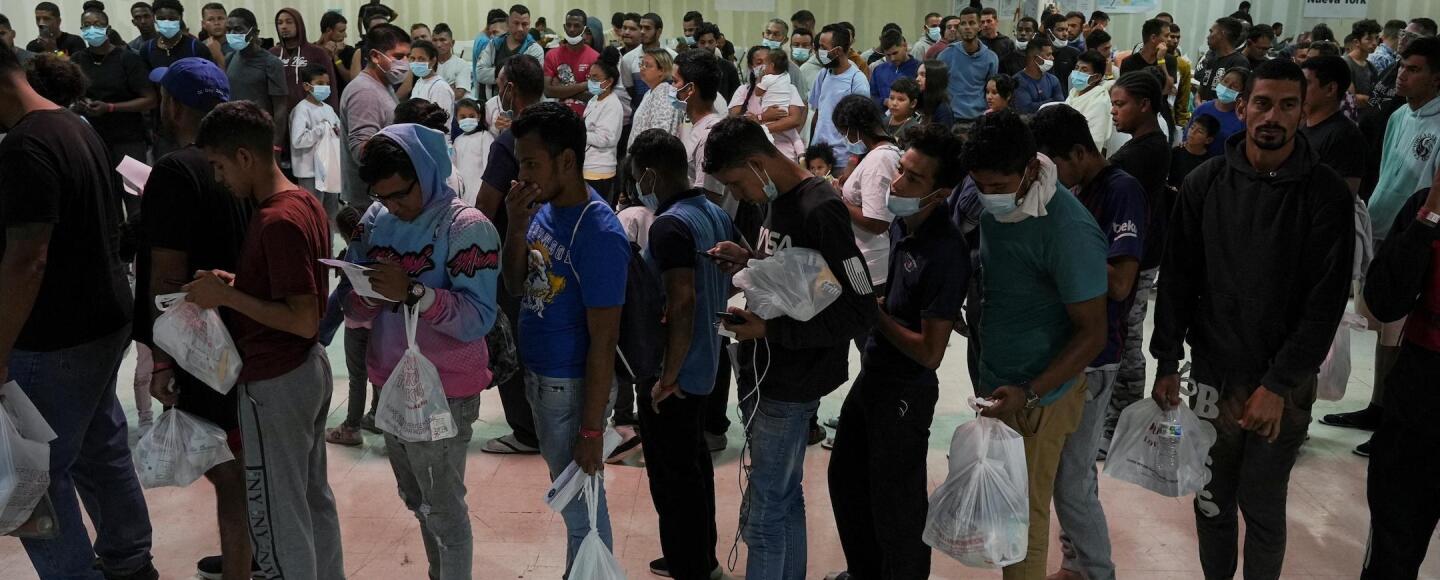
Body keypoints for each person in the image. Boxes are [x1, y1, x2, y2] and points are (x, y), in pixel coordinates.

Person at [1151, 58, 1353, 580]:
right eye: (1262, 103)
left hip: (1281, 384)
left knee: (1261, 507)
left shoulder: (1325, 193)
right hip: (1213, 373)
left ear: (1303, 112)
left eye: (1287, 106)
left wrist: (1278, 385)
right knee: (1211, 501)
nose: (1273, 116)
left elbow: (1324, 303)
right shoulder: (1205, 183)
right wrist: (1167, 359)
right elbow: (1178, 278)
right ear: (1242, 107)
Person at [0, 39, 157, 580]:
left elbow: (27, 259)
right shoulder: (74, 126)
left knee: (34, 473)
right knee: (99, 446)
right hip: (104, 317)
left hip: (54, 334)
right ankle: (131, 562)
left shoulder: (25, 145)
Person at [702, 116, 878, 580]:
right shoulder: (775, 199)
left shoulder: (821, 208)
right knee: (784, 498)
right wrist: (749, 260)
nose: (737, 194)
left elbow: (859, 307)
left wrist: (770, 332)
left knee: (762, 518)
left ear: (757, 164)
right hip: (765, 369)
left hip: (792, 379)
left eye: (735, 183)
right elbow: (799, 276)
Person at [187, 100, 342, 580]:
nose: (218, 179)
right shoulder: (303, 201)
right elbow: (290, 289)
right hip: (305, 371)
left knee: (278, 513)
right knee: (311, 497)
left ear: (244, 156)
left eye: (219, 166)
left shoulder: (277, 220)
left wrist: (226, 298)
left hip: (277, 379)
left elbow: (302, 318)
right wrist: (239, 284)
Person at [344, 122, 499, 580]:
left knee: (443, 506)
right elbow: (354, 302)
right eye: (382, 196)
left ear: (426, 173)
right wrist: (365, 293)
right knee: (417, 499)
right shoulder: (376, 220)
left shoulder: (466, 226)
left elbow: (478, 317)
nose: (393, 205)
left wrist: (414, 292)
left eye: (401, 194)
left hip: (444, 389)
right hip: (391, 381)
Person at [960, 109, 1108, 580]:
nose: (988, 195)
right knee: (1002, 513)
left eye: (998, 185)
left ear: (1029, 169)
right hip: (998, 383)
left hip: (1040, 396)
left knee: (1022, 518)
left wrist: (1030, 392)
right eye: (980, 185)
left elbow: (1093, 332)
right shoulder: (995, 200)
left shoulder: (1067, 229)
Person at [827, 123, 968, 580]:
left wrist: (873, 314)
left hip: (906, 388)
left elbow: (930, 352)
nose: (898, 183)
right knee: (846, 477)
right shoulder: (903, 227)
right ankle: (865, 570)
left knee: (897, 503)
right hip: (876, 372)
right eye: (901, 170)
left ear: (940, 194)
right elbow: (900, 304)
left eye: (914, 178)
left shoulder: (945, 251)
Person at [132, 56, 254, 580]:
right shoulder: (246, 162)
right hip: (244, 326)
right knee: (238, 456)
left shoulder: (176, 170)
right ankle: (247, 556)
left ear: (175, 105)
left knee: (227, 469)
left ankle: (241, 567)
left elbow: (166, 277)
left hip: (200, 339)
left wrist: (162, 360)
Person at [500, 101, 626, 571]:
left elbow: (604, 341)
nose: (522, 176)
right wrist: (516, 227)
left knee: (583, 513)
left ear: (567, 161)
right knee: (579, 506)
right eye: (520, 164)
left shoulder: (598, 232)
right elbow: (516, 285)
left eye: (532, 164)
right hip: (542, 377)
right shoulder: (546, 209)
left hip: (570, 388)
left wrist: (590, 431)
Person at [1031, 103, 1150, 580]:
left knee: (1072, 483)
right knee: (1068, 473)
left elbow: (1120, 283)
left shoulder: (1121, 191)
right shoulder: (1075, 188)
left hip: (1095, 356)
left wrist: (1061, 252)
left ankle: (1098, 571)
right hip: (1067, 347)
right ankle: (1076, 564)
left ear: (1079, 152)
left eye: (1052, 165)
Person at [622, 128, 733, 580]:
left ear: (650, 173)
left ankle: (690, 566)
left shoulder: (670, 225)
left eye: (637, 177)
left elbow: (681, 301)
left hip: (676, 372)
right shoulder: (713, 212)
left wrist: (667, 378)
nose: (637, 187)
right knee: (694, 466)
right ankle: (699, 557)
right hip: (707, 360)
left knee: (673, 477)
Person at [1328, 37, 1440, 455]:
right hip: (1381, 227)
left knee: (1403, 335)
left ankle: (1393, 419)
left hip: (1414, 239)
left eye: (1413, 69)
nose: (1402, 75)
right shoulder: (1398, 115)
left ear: (1437, 78)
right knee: (1383, 330)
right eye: (1402, 67)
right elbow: (1384, 173)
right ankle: (1377, 406)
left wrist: (1417, 236)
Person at [1360, 160, 1440, 579]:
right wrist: (1429, 216)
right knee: (1392, 550)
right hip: (1419, 399)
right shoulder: (1425, 206)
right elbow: (1384, 302)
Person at [74, 7, 157, 178]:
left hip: (128, 139)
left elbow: (150, 100)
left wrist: (110, 107)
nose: (92, 29)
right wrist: (79, 103)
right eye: (87, 25)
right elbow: (70, 95)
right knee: (102, 191)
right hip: (91, 139)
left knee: (133, 190)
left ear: (108, 29)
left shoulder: (127, 58)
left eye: (97, 24)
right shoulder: (77, 60)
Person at [833, 94, 899, 303]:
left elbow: (876, 222)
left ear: (854, 128)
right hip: (862, 258)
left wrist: (838, 200)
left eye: (844, 133)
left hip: (873, 263)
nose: (845, 139)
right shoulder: (875, 155)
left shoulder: (880, 159)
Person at [339, 23, 408, 209]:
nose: (405, 63)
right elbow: (362, 151)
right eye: (398, 56)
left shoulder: (383, 84)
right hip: (370, 203)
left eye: (407, 56)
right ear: (376, 56)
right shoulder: (364, 91)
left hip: (385, 200)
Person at [223, 9, 289, 151]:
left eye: (238, 29)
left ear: (254, 32)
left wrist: (276, 146)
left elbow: (280, 108)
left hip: (260, 136)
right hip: (233, 135)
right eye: (229, 30)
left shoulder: (271, 63)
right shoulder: (229, 58)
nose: (232, 34)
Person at [1301, 56, 1367, 195]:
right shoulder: (1301, 127)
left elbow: (1343, 196)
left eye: (1306, 83)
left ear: (1330, 89)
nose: (1298, 89)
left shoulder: (1346, 137)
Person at [810, 24, 870, 172]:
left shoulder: (857, 81)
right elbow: (817, 114)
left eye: (823, 48)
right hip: (818, 159)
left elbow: (862, 126)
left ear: (837, 51)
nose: (818, 52)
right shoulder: (823, 74)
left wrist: (853, 162)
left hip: (842, 160)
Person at [289, 64, 341, 219]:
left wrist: (337, 130)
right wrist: (320, 129)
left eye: (327, 84)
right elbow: (298, 140)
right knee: (313, 212)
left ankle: (329, 235)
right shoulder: (302, 109)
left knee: (331, 212)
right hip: (309, 171)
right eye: (320, 83)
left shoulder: (328, 109)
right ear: (307, 86)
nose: (325, 87)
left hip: (329, 169)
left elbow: (338, 129)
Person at [937, 6, 998, 123]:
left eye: (971, 23)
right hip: (952, 118)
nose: (967, 27)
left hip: (979, 118)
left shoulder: (991, 58)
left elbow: (991, 91)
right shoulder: (945, 55)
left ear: (979, 26)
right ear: (959, 27)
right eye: (963, 23)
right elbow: (938, 90)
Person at [475, 4, 541, 108]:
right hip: (494, 105)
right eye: (516, 23)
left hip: (522, 107)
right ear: (508, 22)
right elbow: (480, 73)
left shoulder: (535, 49)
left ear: (529, 24)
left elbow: (531, 82)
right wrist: (515, 74)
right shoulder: (493, 45)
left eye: (524, 24)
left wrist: (497, 74)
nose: (520, 28)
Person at [272, 8, 337, 111]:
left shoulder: (317, 53)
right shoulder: (272, 54)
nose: (284, 26)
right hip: (280, 113)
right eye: (280, 23)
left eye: (289, 22)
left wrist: (332, 113)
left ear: (299, 25)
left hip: (312, 113)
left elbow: (331, 86)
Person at [583, 47, 622, 201]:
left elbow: (606, 139)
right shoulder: (594, 99)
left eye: (595, 78)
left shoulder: (612, 104)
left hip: (600, 170)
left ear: (609, 81)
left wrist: (579, 133)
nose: (591, 81)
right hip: (586, 165)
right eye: (589, 77)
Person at [543, 9, 599, 117]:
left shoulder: (595, 57)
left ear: (584, 29)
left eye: (576, 26)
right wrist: (585, 85)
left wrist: (561, 89)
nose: (571, 29)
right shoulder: (552, 55)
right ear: (564, 27)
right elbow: (548, 91)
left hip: (587, 117)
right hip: (557, 116)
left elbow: (595, 95)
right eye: (568, 25)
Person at [1187, 67, 1249, 158]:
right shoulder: (1202, 109)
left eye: (1234, 86)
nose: (1226, 87)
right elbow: (1187, 136)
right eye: (1225, 81)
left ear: (1242, 92)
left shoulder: (1242, 119)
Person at [626, 48, 679, 148]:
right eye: (641, 64)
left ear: (662, 70)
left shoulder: (666, 93)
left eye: (647, 65)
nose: (642, 68)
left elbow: (661, 132)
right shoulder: (649, 93)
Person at [620, 13, 673, 109]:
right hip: (639, 110)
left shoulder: (672, 56)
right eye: (641, 27)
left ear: (658, 31)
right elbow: (630, 91)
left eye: (647, 28)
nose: (642, 31)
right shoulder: (628, 59)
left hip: (667, 110)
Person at [1065, 50, 1113, 154]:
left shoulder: (1100, 101)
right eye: (1076, 68)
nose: (1077, 73)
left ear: (1096, 77)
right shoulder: (1074, 93)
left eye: (1084, 70)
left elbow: (1094, 141)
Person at [1194, 17, 1249, 104]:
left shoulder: (1239, 62)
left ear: (1222, 34)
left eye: (1211, 32)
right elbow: (1201, 89)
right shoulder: (1211, 59)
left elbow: (1233, 98)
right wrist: (1198, 103)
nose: (1208, 37)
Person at [1119, 19, 1178, 95]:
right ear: (1153, 38)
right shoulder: (1129, 62)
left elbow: (1168, 89)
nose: (1169, 39)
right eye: (1166, 36)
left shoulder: (1170, 60)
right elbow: (1125, 92)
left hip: (1160, 102)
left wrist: (1161, 61)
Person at [869, 30, 918, 106]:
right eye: (888, 55)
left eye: (895, 53)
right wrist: (884, 102)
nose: (892, 58)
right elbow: (872, 97)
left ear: (905, 46)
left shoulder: (919, 69)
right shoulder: (878, 70)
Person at [1011, 41, 1063, 114]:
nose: (1052, 58)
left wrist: (1037, 105)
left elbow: (1061, 105)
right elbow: (1026, 109)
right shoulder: (1017, 81)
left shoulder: (1053, 80)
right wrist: (1052, 101)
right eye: (1048, 55)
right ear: (1036, 58)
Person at [1169, 114, 1220, 187]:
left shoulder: (1209, 164)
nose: (1193, 132)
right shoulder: (1176, 152)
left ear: (1208, 140)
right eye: (1192, 127)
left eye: (1200, 131)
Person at [409, 39, 454, 116]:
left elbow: (441, 119)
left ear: (433, 61)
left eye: (421, 59)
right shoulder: (420, 81)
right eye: (413, 58)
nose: (416, 62)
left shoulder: (440, 87)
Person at [429, 23, 468, 102]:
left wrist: (433, 91)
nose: (438, 45)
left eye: (442, 40)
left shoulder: (461, 64)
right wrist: (449, 88)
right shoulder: (428, 64)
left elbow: (459, 93)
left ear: (452, 43)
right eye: (435, 40)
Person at [885, 77, 922, 144]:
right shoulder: (884, 121)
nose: (894, 103)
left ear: (913, 103)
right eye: (891, 98)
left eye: (901, 99)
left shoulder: (914, 131)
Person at [917, 59, 953, 125]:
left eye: (923, 75)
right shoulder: (918, 99)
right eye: (917, 75)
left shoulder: (943, 110)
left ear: (935, 78)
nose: (917, 79)